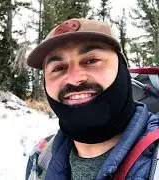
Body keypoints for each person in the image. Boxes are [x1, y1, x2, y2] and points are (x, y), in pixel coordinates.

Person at [25, 18, 159, 180]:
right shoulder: (41, 159)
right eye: (58, 68)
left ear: (123, 69)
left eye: (92, 60)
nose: (74, 78)